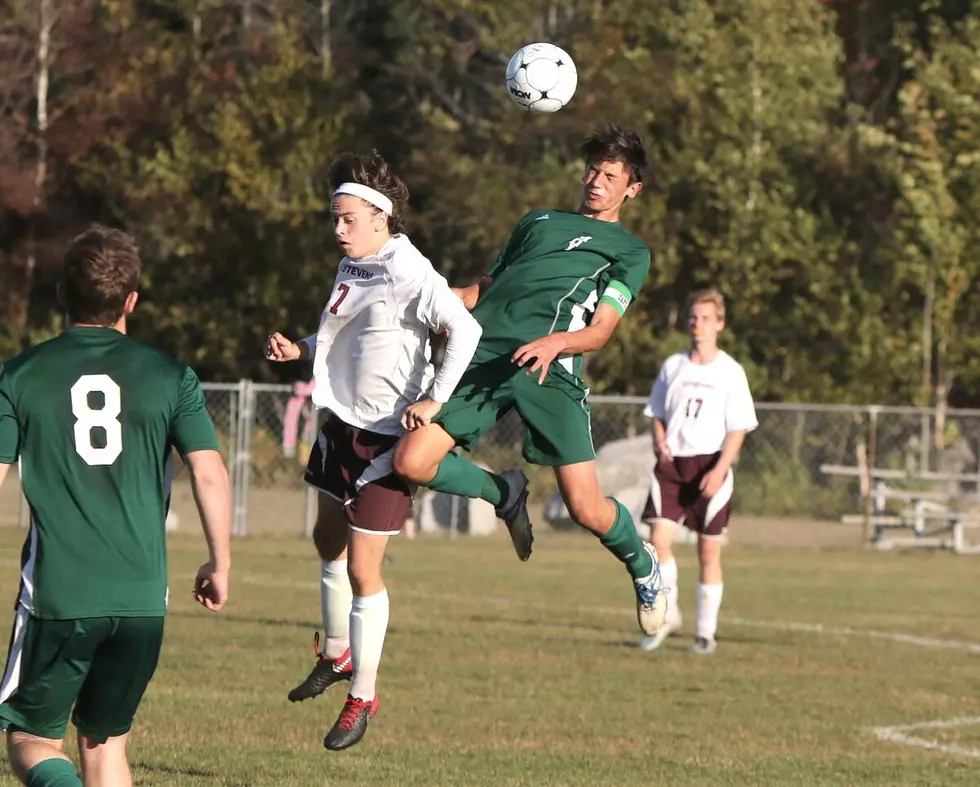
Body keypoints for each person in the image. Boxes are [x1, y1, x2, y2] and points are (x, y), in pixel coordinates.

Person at [392, 124, 667, 637]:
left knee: (586, 508)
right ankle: (504, 492)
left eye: (610, 175)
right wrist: (434, 300)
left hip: (550, 369)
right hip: (484, 358)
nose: (596, 181)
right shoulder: (537, 221)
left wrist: (557, 342)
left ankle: (642, 563)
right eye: (592, 170)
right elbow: (487, 288)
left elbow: (601, 329)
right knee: (411, 461)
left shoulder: (629, 252)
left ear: (632, 188)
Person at [264, 151, 486, 751]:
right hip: (339, 426)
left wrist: (437, 400)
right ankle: (336, 654)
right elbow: (349, 335)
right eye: (335, 218)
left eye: (347, 219)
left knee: (364, 569)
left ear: (381, 217)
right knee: (324, 541)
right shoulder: (354, 265)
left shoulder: (409, 269)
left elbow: (466, 331)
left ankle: (362, 694)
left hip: (384, 440)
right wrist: (301, 349)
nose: (337, 229)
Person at [0, 227, 232, 787]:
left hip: (61, 592)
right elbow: (209, 470)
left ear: (62, 294)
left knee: (31, 738)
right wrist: (219, 562)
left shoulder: (20, 375)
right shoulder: (172, 375)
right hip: (143, 597)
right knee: (104, 746)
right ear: (131, 300)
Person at [637, 288, 758, 655]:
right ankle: (668, 614)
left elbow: (739, 428)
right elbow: (656, 413)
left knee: (708, 552)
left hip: (710, 466)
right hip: (672, 467)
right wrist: (660, 441)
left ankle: (705, 632)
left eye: (706, 318)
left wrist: (720, 470)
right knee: (658, 544)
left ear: (719, 324)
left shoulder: (730, 372)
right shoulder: (673, 366)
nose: (698, 324)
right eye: (693, 317)